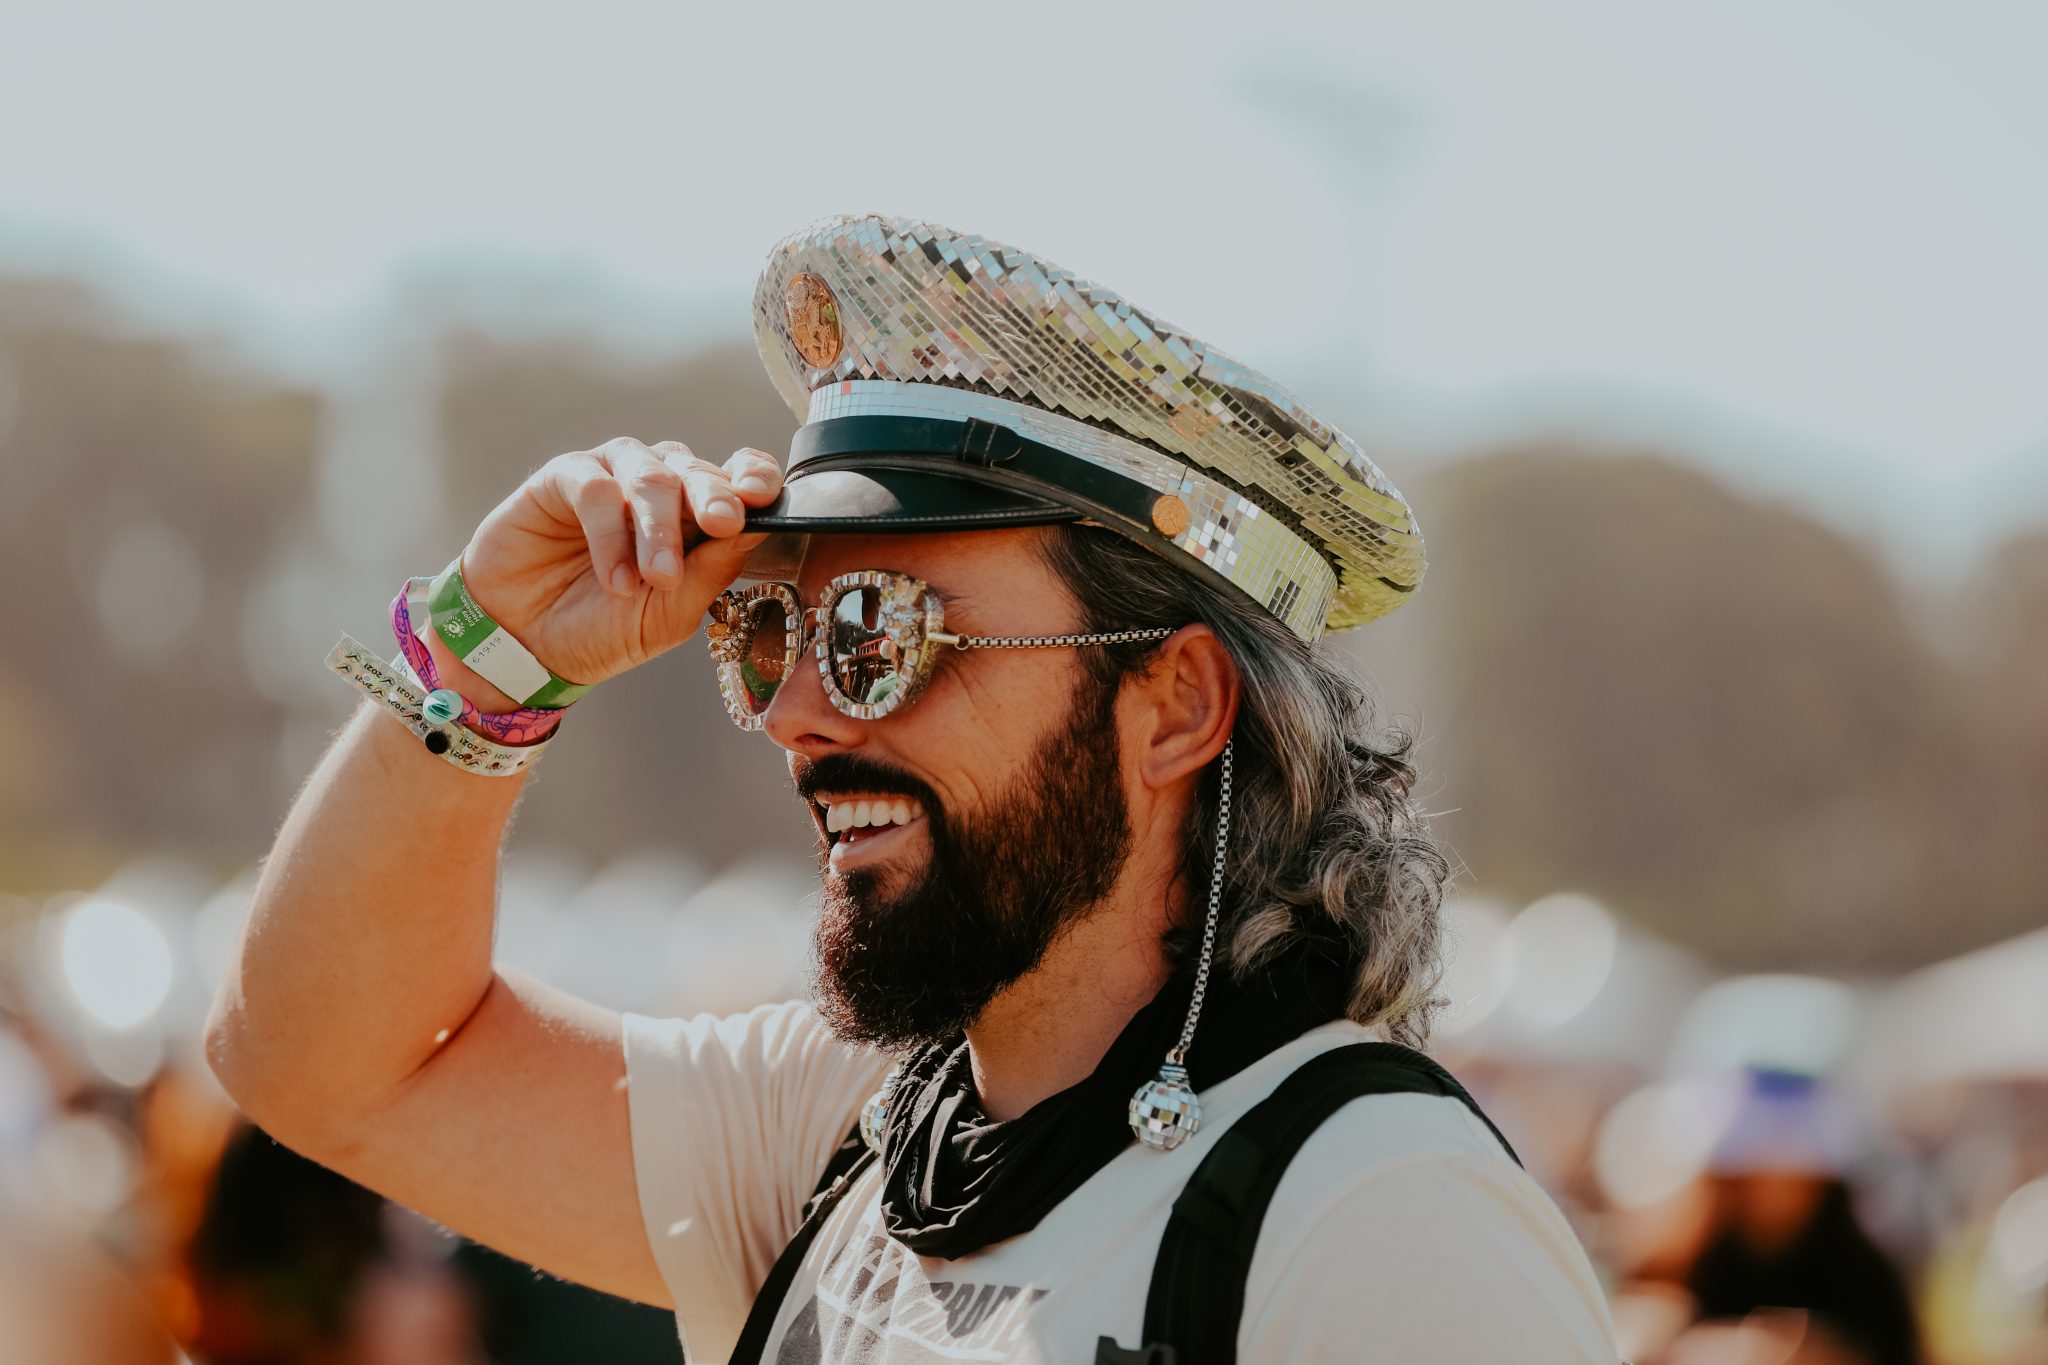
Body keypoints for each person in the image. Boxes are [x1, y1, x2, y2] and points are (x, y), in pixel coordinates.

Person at [205, 214, 1620, 1362]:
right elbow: (315, 1063)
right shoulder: (844, 1132)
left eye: (881, 631)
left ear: (1178, 705)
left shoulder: (1378, 1214)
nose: (796, 715)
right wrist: (491, 651)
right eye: (773, 631)